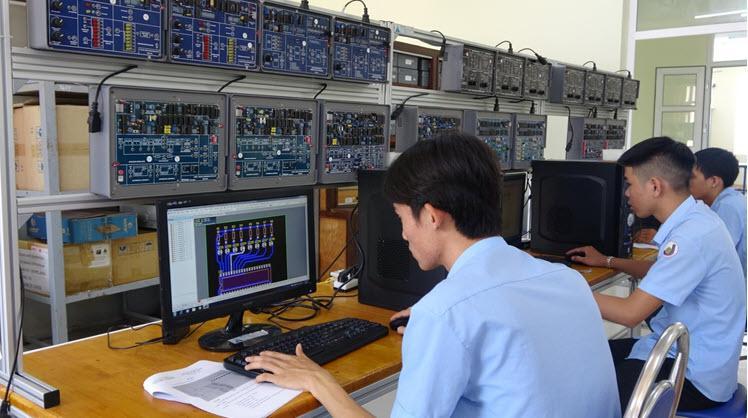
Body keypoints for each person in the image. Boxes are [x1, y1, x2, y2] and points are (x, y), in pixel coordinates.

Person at [244, 133, 621, 417]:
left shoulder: (445, 314)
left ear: (431, 216)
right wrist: (436, 324)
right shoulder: (565, 280)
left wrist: (317, 380)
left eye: (401, 218)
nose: (404, 233)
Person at [567, 137, 746, 411]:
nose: (627, 193)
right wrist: (607, 261)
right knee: (584, 358)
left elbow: (630, 313)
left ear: (654, 186)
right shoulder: (698, 219)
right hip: (688, 355)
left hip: (694, 375)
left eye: (629, 183)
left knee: (587, 392)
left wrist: (564, 286)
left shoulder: (690, 237)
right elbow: (660, 271)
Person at [689, 147, 746, 277]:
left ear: (714, 181)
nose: (686, 181)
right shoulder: (725, 200)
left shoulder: (728, 206)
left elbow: (713, 255)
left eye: (692, 177)